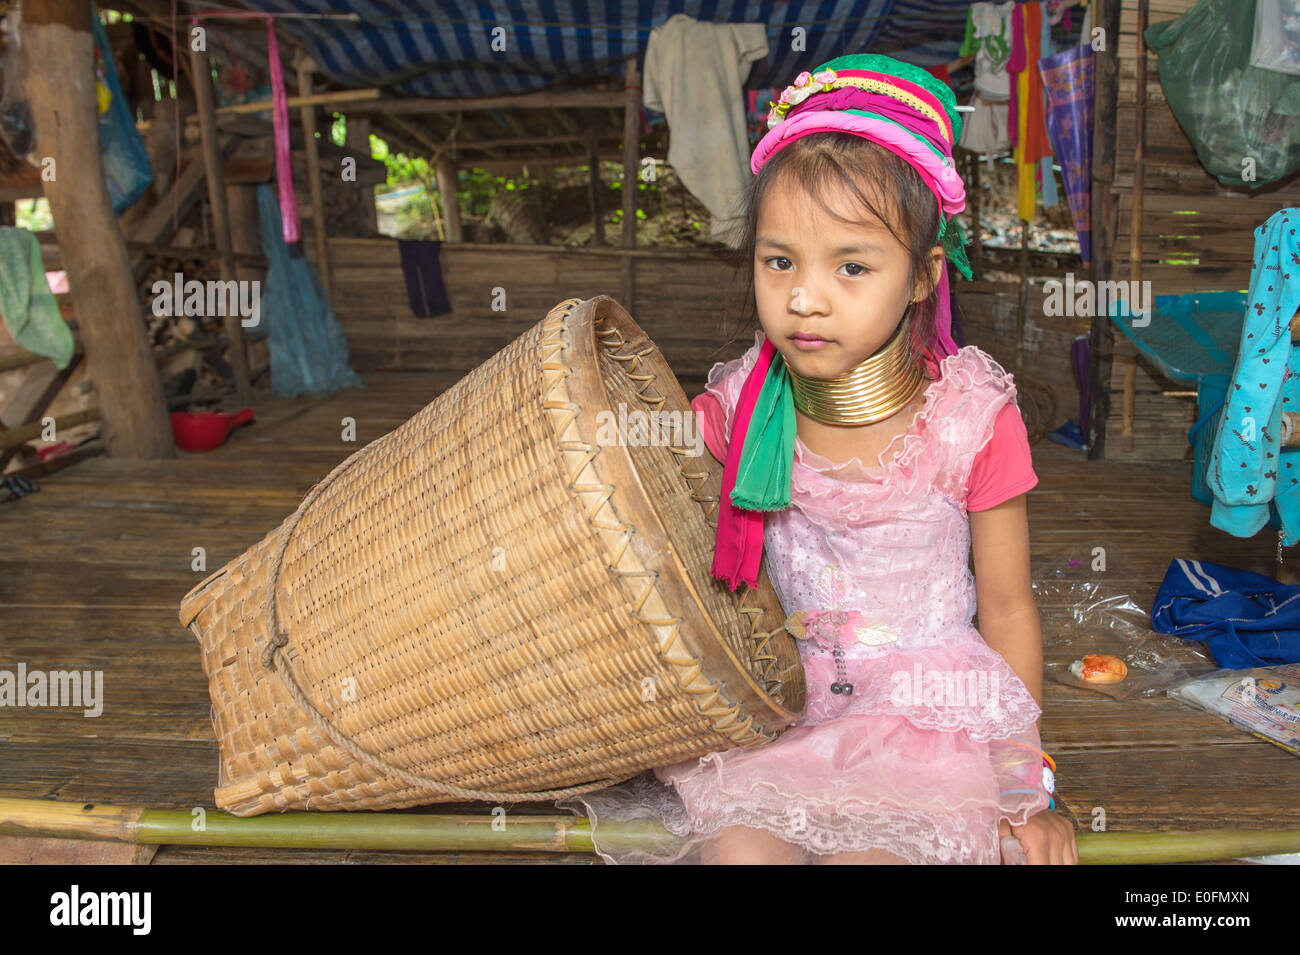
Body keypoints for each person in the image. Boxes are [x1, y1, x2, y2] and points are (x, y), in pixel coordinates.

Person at [556, 52, 1078, 865]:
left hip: (924, 722)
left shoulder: (971, 419)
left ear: (921, 278)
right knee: (740, 853)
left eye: (852, 265)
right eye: (780, 260)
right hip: (786, 706)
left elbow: (1008, 609)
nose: (804, 296)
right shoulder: (735, 407)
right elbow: (658, 530)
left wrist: (1025, 786)